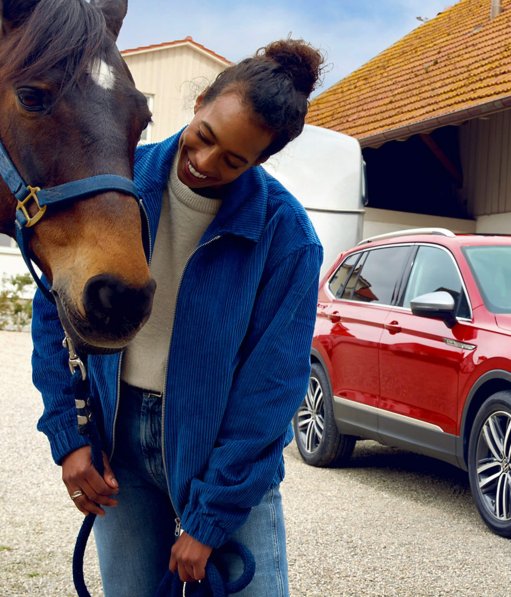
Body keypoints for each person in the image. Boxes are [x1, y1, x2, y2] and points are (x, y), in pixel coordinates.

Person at [32, 38, 325, 597]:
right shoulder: (115, 185)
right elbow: (54, 310)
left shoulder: (286, 238)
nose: (205, 163)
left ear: (261, 160)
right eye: (206, 137)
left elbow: (271, 390)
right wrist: (70, 438)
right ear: (199, 102)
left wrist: (212, 517)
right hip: (119, 453)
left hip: (225, 460)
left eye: (234, 160)